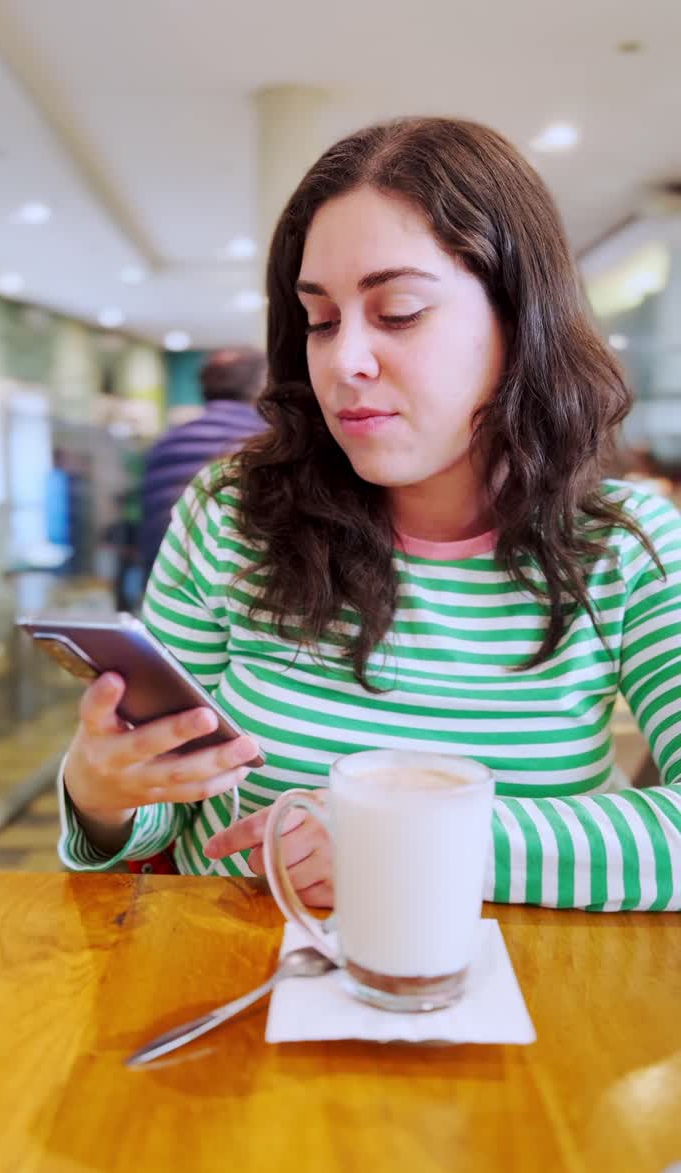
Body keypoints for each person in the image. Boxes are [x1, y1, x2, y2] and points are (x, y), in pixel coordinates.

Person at [58, 116, 681, 912]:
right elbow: (160, 813)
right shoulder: (230, 517)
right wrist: (103, 794)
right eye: (320, 320)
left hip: (510, 1008)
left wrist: (416, 842)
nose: (345, 361)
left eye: (399, 312)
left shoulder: (624, 547)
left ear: (520, 323)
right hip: (232, 988)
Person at [138, 346, 266, 577]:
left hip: (163, 580)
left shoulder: (164, 444)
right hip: (228, 587)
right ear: (261, 386)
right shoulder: (265, 445)